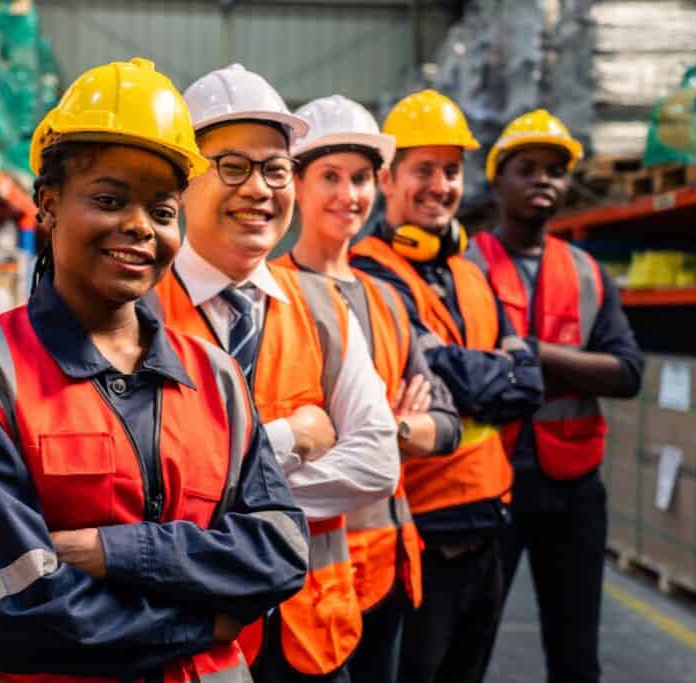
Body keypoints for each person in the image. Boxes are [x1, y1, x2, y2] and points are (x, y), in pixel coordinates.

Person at [0, 57, 310, 683]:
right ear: (47, 204)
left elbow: (280, 551)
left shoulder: (217, 378)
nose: (138, 227)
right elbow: (5, 610)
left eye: (162, 209)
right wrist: (205, 621)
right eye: (108, 199)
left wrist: (106, 551)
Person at [146, 65, 400, 683]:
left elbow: (377, 464)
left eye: (275, 169)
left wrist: (220, 500)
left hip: (310, 637)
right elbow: (141, 488)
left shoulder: (324, 308)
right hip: (184, 639)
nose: (259, 189)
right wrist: (289, 440)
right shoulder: (138, 312)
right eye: (232, 167)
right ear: (183, 182)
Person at [348, 89, 545, 683]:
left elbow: (528, 382)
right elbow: (432, 378)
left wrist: (482, 375)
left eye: (452, 171)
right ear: (387, 178)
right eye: (423, 170)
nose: (440, 186)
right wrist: (492, 373)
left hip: (490, 523)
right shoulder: (368, 274)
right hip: (420, 534)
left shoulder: (472, 269)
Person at [271, 94, 462, 682]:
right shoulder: (270, 295)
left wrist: (383, 431)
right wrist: (392, 429)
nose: (347, 195)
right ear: (296, 184)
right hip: (305, 576)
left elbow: (448, 423)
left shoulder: (387, 301)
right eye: (329, 176)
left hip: (390, 569)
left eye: (359, 178)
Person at [471, 109, 644, 683]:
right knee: (462, 650)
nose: (543, 179)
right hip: (485, 489)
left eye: (555, 170)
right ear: (498, 181)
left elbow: (627, 372)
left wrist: (534, 354)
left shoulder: (589, 274)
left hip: (572, 489)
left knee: (575, 656)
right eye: (527, 168)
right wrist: (575, 367)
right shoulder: (463, 270)